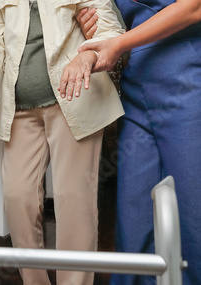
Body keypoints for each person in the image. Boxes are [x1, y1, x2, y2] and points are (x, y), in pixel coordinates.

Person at [0, 0, 124, 284]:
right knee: (17, 198)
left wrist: (89, 56)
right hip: (18, 109)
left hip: (75, 97)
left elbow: (108, 26)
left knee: (74, 203)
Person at [70, 2, 201, 284]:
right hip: (138, 81)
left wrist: (118, 43)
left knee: (194, 216)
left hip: (187, 76)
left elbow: (194, 7)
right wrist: (93, 23)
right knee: (133, 219)